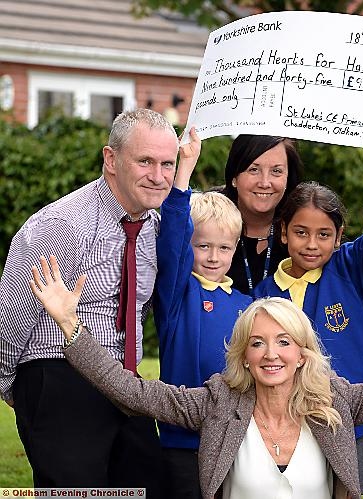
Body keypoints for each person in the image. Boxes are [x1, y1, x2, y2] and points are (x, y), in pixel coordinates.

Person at [30, 254, 363, 499]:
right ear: (244, 355)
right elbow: (131, 391)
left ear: (303, 354)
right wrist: (72, 328)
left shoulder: (338, 402)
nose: (271, 354)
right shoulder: (216, 402)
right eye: (258, 342)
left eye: (284, 342)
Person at [0, 108, 179, 494]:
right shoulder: (62, 225)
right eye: (145, 161)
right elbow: (12, 314)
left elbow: (139, 306)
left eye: (168, 163)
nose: (159, 175)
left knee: (149, 485)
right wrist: (19, 390)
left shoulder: (157, 227)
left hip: (123, 382)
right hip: (59, 373)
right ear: (110, 160)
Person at [254, 132, 363, 494]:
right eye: (301, 232)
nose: (312, 244)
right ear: (283, 232)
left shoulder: (351, 269)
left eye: (323, 234)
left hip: (350, 421)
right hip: (289, 423)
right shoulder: (263, 296)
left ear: (339, 236)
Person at [154, 128, 252, 498]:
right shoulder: (179, 293)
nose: (213, 256)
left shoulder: (246, 305)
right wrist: (184, 172)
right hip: (183, 438)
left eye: (224, 247)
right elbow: (173, 239)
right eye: (203, 246)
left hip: (234, 439)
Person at [221, 135, 302, 295]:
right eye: (254, 169)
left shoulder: (302, 233)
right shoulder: (205, 225)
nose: (265, 183)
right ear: (234, 177)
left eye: (276, 171)